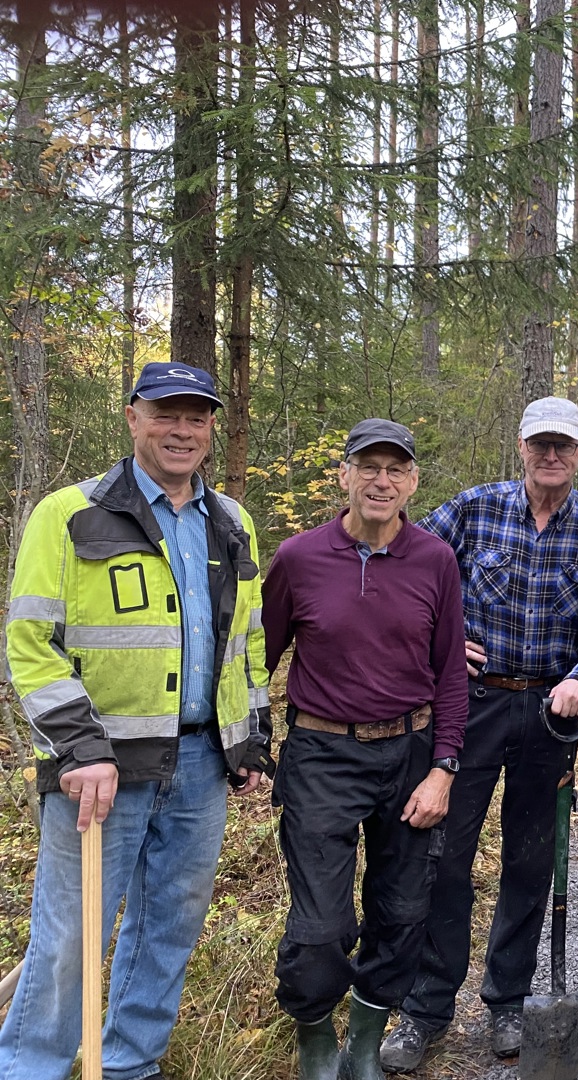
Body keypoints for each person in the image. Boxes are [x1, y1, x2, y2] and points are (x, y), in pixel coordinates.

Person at [0, 362, 272, 1080]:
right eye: (165, 413)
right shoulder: (69, 513)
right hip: (100, 770)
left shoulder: (232, 522)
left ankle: (128, 1064)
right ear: (132, 416)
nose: (181, 430)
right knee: (70, 936)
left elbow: (245, 643)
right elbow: (29, 644)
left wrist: (248, 740)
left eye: (196, 416)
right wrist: (81, 749)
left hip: (200, 768)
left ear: (212, 426)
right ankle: (30, 1067)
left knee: (169, 929)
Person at [379, 397, 578, 1071]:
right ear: (521, 444)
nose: (551, 455)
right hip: (470, 705)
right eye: (540, 443)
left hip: (551, 716)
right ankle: (427, 1007)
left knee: (530, 862)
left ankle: (508, 1000)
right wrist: (439, 643)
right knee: (443, 856)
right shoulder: (474, 510)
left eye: (563, 444)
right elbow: (404, 572)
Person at [262, 419, 468, 1080]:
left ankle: (363, 1044)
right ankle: (317, 1039)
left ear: (411, 483)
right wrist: (242, 745)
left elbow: (451, 677)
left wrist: (443, 768)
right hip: (320, 753)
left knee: (403, 912)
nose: (382, 480)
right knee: (320, 928)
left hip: (408, 755)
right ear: (344, 475)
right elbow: (254, 661)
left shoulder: (434, 559)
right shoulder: (298, 559)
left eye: (395, 470)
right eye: (368, 466)